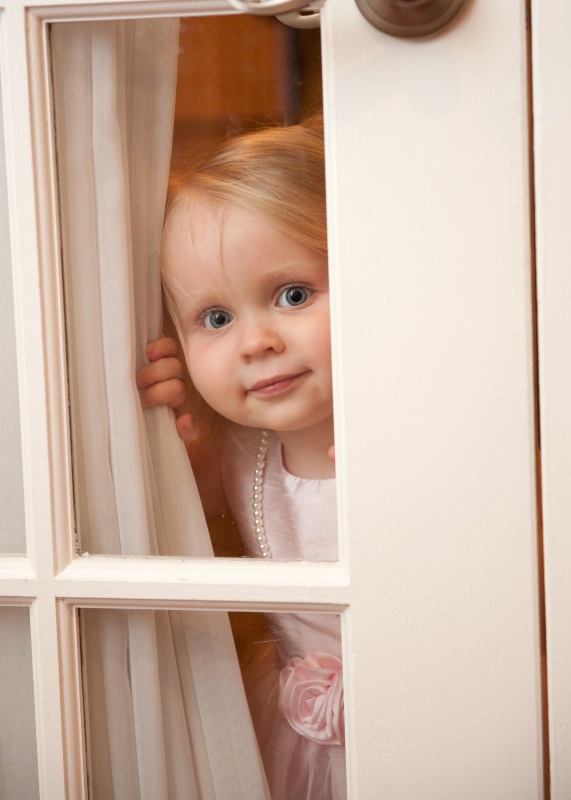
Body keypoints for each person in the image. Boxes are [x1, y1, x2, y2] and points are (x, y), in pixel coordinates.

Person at [137, 117, 345, 800]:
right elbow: (176, 510)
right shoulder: (236, 450)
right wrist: (169, 431)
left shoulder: (421, 440)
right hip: (292, 738)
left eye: (292, 294)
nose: (254, 342)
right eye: (216, 319)